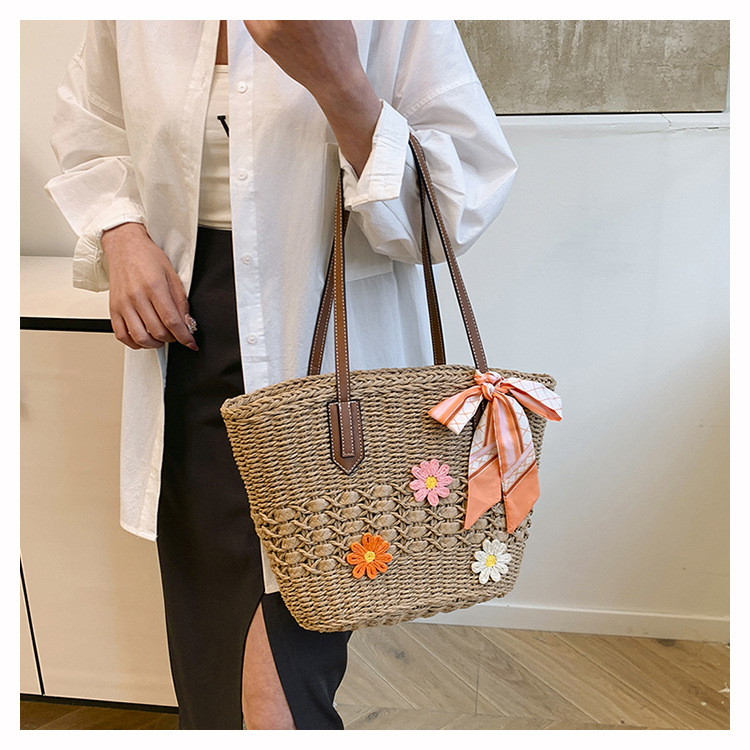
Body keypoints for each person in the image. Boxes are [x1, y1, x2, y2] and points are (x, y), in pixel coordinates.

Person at [45, 20, 518, 730]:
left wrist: (339, 82)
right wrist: (121, 231)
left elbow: (454, 206)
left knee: (273, 698)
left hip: (329, 370)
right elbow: (92, 126)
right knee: (212, 671)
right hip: (188, 342)